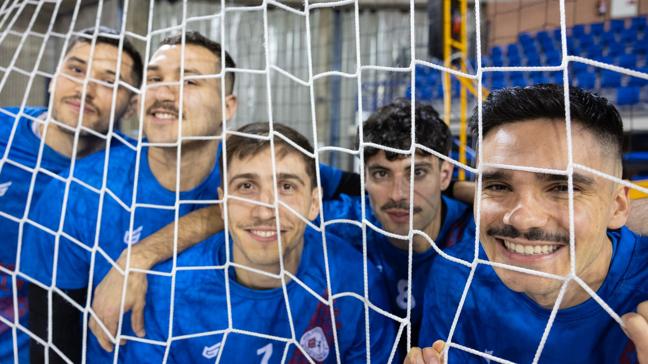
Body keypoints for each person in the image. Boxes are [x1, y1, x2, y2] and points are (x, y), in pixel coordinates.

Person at [20, 31, 236, 362]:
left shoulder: (255, 175)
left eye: (190, 82)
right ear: (138, 102)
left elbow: (320, 192)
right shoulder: (77, 194)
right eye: (154, 79)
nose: (165, 92)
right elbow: (52, 346)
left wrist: (138, 257)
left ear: (227, 107)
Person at [104, 122, 397, 363]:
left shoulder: (353, 281)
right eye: (246, 186)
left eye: (286, 187)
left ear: (314, 204)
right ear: (222, 202)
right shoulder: (168, 293)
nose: (264, 210)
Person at [408, 85, 648, 363]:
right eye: (498, 185)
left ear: (617, 206)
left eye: (562, 188)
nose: (522, 218)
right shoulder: (456, 276)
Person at [0, 26, 143, 363]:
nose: (86, 88)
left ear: (132, 105)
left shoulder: (139, 169)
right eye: (76, 70)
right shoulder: (5, 136)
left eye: (109, 81)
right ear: (52, 78)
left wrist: (141, 256)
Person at [322, 98, 474, 347]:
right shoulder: (342, 225)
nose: (398, 194)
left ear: (444, 175)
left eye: (417, 173)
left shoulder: (478, 237)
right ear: (365, 178)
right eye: (381, 174)